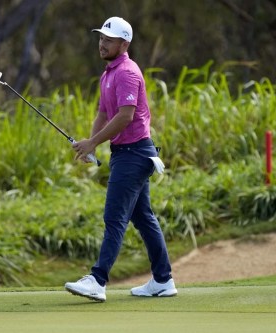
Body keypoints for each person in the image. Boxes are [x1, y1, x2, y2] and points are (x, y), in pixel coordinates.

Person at [64, 17, 177, 302]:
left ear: (124, 44)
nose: (102, 44)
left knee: (115, 217)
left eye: (109, 40)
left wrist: (93, 141)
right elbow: (103, 113)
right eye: (101, 38)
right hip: (127, 153)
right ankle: (163, 280)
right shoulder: (107, 74)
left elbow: (125, 116)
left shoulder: (126, 72)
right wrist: (90, 146)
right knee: (142, 217)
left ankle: (98, 280)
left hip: (135, 154)